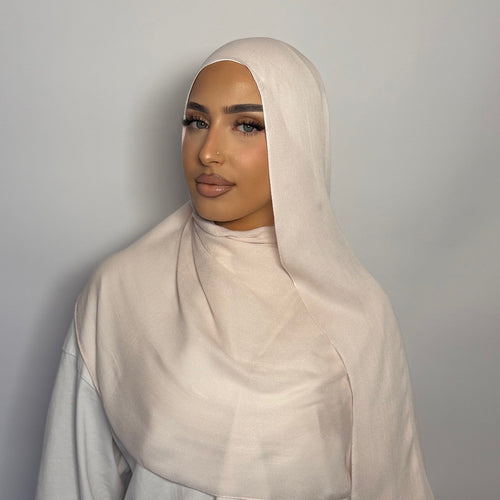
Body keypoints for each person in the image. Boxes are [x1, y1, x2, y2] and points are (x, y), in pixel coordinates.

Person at [36, 38, 434, 500]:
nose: (208, 152)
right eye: (197, 122)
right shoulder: (121, 291)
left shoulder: (358, 314)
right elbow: (73, 480)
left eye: (246, 125)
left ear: (298, 138)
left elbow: (391, 482)